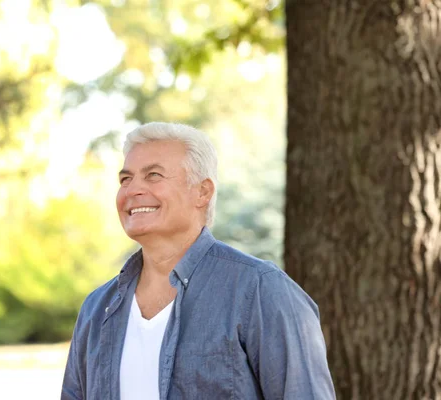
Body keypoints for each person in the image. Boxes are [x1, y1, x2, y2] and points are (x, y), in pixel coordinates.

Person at [61, 122, 335, 399]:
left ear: (203, 192)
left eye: (153, 175)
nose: (132, 190)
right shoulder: (98, 309)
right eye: (125, 179)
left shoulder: (261, 291)